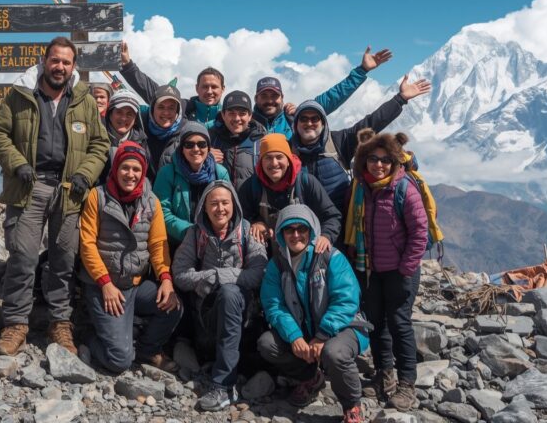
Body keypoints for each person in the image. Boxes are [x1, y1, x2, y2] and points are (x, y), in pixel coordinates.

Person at [0, 36, 111, 356]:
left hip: (70, 190)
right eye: (55, 60)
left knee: (63, 260)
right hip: (29, 186)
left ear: (73, 67)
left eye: (66, 62)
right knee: (24, 255)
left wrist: (85, 174)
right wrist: (17, 165)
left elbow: (99, 144)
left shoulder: (82, 99)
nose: (60, 67)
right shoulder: (21, 94)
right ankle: (15, 324)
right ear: (44, 62)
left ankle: (60, 324)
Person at [258, 205, 371, 423]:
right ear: (281, 233)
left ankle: (352, 405)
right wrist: (294, 337)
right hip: (304, 331)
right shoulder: (277, 265)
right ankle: (310, 377)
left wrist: (322, 335)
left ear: (311, 231)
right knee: (267, 344)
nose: (296, 235)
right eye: (289, 230)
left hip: (343, 327)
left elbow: (346, 300)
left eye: (302, 229)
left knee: (334, 353)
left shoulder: (329, 257)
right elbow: (273, 305)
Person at [79, 142, 182, 373]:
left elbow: (157, 244)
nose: (131, 174)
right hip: (103, 285)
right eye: (125, 168)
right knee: (119, 361)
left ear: (143, 171)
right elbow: (87, 244)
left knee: (173, 306)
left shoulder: (151, 201)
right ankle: (88, 336)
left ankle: (147, 350)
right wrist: (104, 283)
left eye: (136, 169)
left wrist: (166, 279)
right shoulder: (98, 196)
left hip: (134, 285)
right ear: (115, 169)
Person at [344, 129, 428, 410]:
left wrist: (406, 267)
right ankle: (384, 374)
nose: (378, 165)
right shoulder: (363, 189)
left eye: (384, 160)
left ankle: (407, 384)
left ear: (394, 162)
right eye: (372, 159)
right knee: (377, 323)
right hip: (371, 268)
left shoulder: (404, 189)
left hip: (400, 271)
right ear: (363, 161)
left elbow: (420, 232)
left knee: (400, 323)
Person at [172, 180, 267, 412]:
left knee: (230, 293)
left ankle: (224, 386)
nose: (220, 208)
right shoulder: (195, 234)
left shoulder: (247, 231)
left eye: (225, 202)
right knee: (228, 292)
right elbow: (180, 274)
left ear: (234, 205)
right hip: (207, 317)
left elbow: (259, 272)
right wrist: (215, 277)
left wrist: (217, 276)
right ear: (204, 207)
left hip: (243, 317)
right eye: (213, 203)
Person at [290, 74, 432, 212]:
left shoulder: (338, 142)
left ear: (323, 123)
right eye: (303, 119)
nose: (309, 123)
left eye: (315, 119)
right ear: (296, 124)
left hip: (342, 225)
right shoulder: (287, 149)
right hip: (302, 229)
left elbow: (372, 122)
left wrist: (400, 99)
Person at [252, 47, 393, 138]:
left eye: (274, 96)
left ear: (282, 98)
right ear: (255, 99)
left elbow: (332, 97)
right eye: (264, 96)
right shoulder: (244, 124)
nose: (269, 101)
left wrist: (362, 70)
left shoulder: (297, 118)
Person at [239, 134, 341, 249]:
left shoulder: (306, 183)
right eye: (268, 157)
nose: (274, 163)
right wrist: (255, 224)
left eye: (279, 157)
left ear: (288, 160)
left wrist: (326, 236)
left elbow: (331, 216)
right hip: (267, 257)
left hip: (306, 253)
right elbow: (240, 219)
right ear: (261, 162)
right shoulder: (251, 186)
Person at [153, 122, 231, 250]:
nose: (196, 149)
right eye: (189, 144)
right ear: (182, 148)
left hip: (212, 244)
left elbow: (229, 207)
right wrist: (191, 232)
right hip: (177, 244)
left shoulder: (220, 172)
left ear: (208, 147)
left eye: (201, 144)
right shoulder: (167, 173)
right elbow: (161, 211)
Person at [119, 41, 225, 129]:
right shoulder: (183, 107)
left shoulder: (230, 116)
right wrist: (128, 66)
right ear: (197, 88)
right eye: (205, 87)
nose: (209, 91)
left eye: (214, 87)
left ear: (223, 89)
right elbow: (153, 92)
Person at [209, 90, 265, 198]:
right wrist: (204, 157)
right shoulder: (209, 139)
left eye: (242, 113)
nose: (237, 118)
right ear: (223, 115)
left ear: (250, 116)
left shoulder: (262, 141)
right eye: (231, 113)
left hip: (252, 211)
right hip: (219, 209)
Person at [99, 90, 148, 185]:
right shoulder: (95, 137)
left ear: (136, 118)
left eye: (129, 114)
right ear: (110, 114)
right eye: (119, 112)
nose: (123, 118)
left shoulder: (142, 143)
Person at [140, 84, 185, 182]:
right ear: (152, 109)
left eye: (171, 108)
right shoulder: (138, 127)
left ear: (178, 111)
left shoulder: (186, 134)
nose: (166, 112)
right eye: (161, 107)